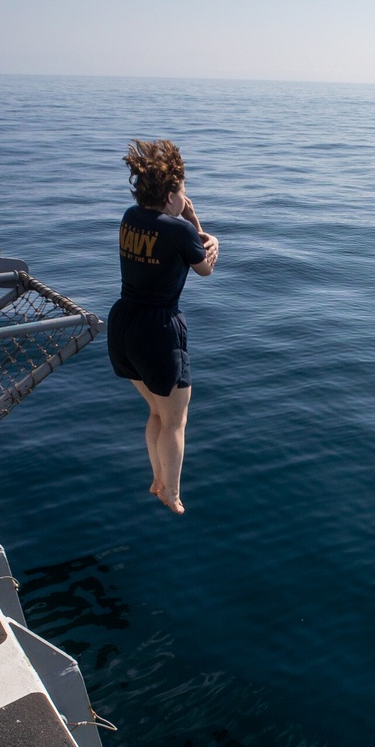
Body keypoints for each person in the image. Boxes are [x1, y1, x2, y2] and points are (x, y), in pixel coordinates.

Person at [106, 140, 219, 515]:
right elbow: (205, 267)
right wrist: (202, 230)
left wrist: (185, 224)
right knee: (175, 419)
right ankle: (171, 490)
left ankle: (158, 479)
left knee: (157, 411)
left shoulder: (129, 216)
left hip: (123, 324)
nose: (186, 199)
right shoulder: (178, 230)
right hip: (158, 330)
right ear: (171, 195)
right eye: (183, 193)